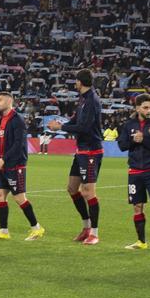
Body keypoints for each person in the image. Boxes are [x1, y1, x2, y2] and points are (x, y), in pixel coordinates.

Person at [47, 69, 103, 245]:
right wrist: (60, 124)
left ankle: (94, 233)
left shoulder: (92, 100)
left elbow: (84, 127)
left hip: (91, 150)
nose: (75, 84)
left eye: (76, 81)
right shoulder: (83, 99)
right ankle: (86, 227)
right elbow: (75, 121)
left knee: (88, 192)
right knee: (72, 188)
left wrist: (60, 128)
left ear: (80, 81)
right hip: (82, 150)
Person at [0, 92, 44, 241]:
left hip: (15, 164)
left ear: (9, 102)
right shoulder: (1, 120)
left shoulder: (17, 120)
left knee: (19, 198)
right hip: (2, 165)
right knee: (0, 195)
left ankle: (37, 228)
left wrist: (4, 159)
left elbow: (19, 144)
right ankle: (3, 231)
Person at [116, 93, 150, 252]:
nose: (149, 110)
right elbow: (122, 145)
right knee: (137, 206)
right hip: (134, 172)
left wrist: (144, 139)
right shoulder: (129, 125)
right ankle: (141, 241)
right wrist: (134, 140)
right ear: (137, 108)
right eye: (146, 107)